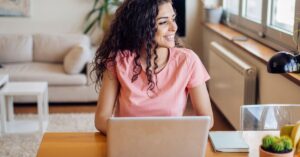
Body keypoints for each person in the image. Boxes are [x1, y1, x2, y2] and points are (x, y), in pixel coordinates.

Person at [93, 0, 214, 134]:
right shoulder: (119, 61)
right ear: (140, 27)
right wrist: (136, 135)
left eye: (173, 19)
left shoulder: (188, 61)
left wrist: (180, 135)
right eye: (163, 22)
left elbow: (207, 119)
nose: (174, 27)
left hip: (170, 144)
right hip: (129, 143)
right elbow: (101, 119)